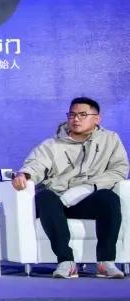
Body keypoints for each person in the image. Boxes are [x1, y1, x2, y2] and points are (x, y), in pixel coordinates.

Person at [12, 97, 127, 279]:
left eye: (82, 115)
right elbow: (36, 165)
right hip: (58, 201)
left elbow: (119, 170)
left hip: (87, 200)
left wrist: (89, 187)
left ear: (97, 118)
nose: (76, 119)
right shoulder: (52, 145)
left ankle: (105, 262)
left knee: (109, 198)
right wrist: (24, 174)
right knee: (44, 197)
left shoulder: (110, 139)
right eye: (72, 115)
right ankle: (66, 262)